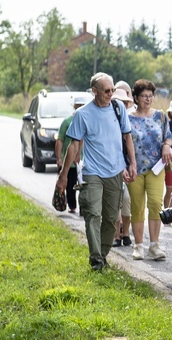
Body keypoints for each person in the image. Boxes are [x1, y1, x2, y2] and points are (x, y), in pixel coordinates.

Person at [55, 72, 137, 271]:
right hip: (92, 172)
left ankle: (103, 253)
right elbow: (73, 146)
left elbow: (127, 138)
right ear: (94, 91)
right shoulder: (83, 114)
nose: (110, 94)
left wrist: (132, 164)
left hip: (115, 171)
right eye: (106, 91)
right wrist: (63, 175)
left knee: (111, 218)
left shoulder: (118, 109)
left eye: (112, 90)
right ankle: (96, 260)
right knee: (93, 214)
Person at [127, 79, 172, 261]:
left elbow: (168, 137)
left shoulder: (160, 116)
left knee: (155, 203)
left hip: (156, 167)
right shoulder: (128, 118)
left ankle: (154, 245)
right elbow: (123, 143)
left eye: (150, 96)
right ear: (136, 98)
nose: (148, 99)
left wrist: (166, 146)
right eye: (144, 96)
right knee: (137, 207)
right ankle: (138, 245)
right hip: (135, 168)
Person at [55, 94, 90, 214]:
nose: (80, 107)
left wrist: (79, 154)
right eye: (78, 105)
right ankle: (72, 205)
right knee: (70, 185)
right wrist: (59, 157)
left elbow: (83, 140)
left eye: (82, 105)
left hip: (83, 162)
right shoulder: (67, 122)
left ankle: (83, 208)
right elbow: (60, 140)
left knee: (83, 186)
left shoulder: (87, 120)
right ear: (74, 106)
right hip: (69, 162)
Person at [112, 88, 134, 247]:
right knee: (116, 202)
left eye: (125, 102)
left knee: (127, 201)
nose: (122, 105)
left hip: (128, 167)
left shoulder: (130, 119)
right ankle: (116, 236)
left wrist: (132, 164)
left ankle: (126, 233)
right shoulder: (110, 121)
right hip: (114, 167)